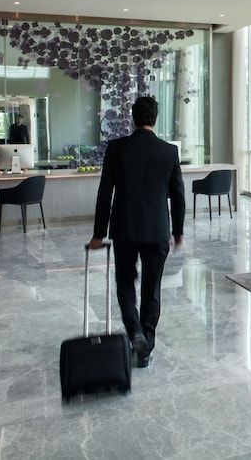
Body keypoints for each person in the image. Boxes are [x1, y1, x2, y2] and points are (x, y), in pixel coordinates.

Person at [90, 96, 185, 368]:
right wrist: (178, 231)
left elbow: (105, 192)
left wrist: (99, 233)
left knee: (125, 283)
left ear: (133, 118)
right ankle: (146, 347)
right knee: (152, 289)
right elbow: (178, 196)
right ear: (156, 118)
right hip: (157, 230)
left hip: (125, 229)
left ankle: (135, 333)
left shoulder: (117, 148)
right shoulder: (169, 152)